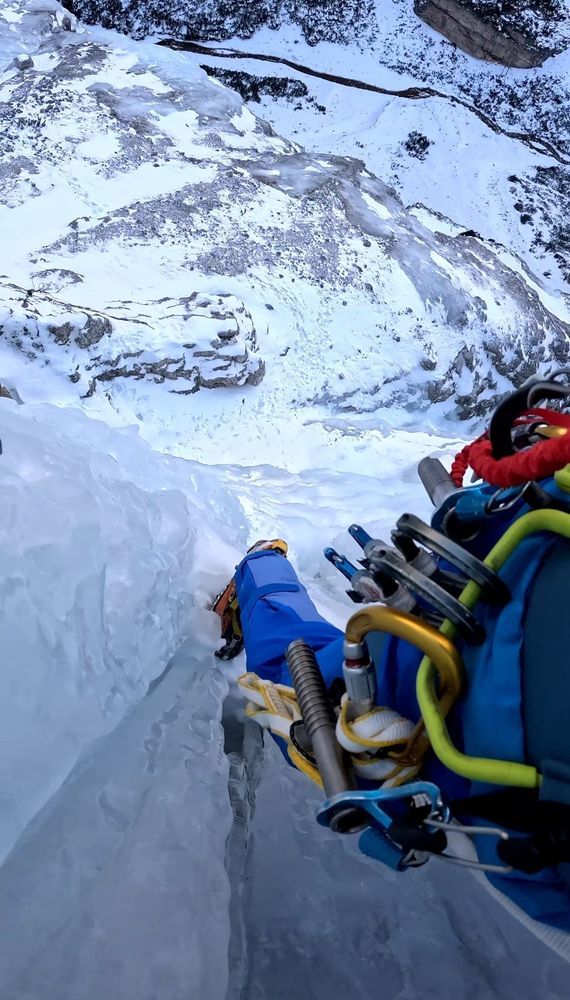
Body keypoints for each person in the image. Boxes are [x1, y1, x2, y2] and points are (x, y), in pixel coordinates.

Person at [213, 376, 570, 954]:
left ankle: (259, 568)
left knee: (294, 673)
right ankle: (261, 567)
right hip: (493, 655)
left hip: (484, 664)